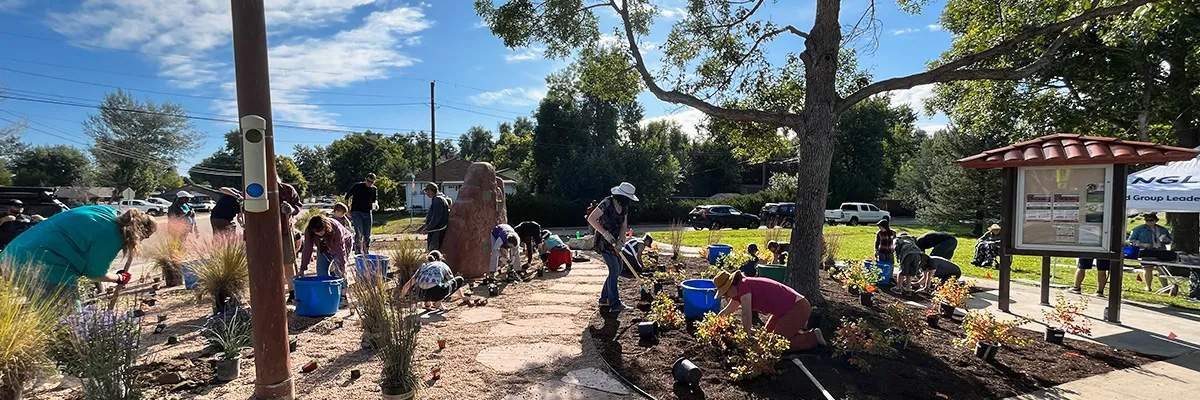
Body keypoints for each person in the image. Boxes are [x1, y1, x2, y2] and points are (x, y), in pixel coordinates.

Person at [2, 206, 156, 301]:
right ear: (138, 232)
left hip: (11, 254)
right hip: (44, 265)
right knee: (71, 322)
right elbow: (94, 273)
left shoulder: (106, 211)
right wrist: (119, 278)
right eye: (145, 237)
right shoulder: (112, 234)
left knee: (48, 315)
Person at [713, 270, 827, 351]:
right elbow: (728, 311)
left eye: (725, 293)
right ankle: (792, 334)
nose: (726, 297)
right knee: (765, 336)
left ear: (731, 286)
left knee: (775, 345)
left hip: (796, 307)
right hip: (783, 310)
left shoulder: (743, 285)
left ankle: (813, 337)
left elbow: (746, 312)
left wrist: (747, 335)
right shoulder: (738, 292)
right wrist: (713, 325)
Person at [588, 182, 636, 313]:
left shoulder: (624, 207)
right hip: (604, 241)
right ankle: (615, 304)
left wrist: (621, 241)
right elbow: (591, 219)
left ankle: (604, 299)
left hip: (615, 241)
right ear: (620, 195)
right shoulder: (607, 203)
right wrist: (605, 233)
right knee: (614, 270)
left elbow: (623, 225)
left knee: (618, 269)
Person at [399, 250, 465, 311]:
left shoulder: (423, 266)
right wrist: (462, 297)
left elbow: (406, 286)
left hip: (420, 295)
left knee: (425, 282)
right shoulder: (443, 265)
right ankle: (438, 302)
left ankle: (427, 303)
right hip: (436, 293)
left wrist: (400, 299)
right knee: (459, 279)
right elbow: (453, 282)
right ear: (440, 259)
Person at [1130, 212, 1176, 293]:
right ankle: (1148, 286)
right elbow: (1132, 241)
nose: (1149, 222)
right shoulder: (1139, 229)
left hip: (1160, 250)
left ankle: (1165, 287)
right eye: (1147, 220)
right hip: (1146, 251)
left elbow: (1170, 240)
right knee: (1148, 269)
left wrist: (1166, 240)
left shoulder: (1162, 229)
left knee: (1162, 269)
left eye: (1152, 220)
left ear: (1156, 220)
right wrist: (1143, 244)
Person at [298, 214, 353, 278]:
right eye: (316, 232)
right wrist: (303, 268)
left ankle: (343, 286)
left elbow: (340, 250)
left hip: (344, 243)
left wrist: (342, 268)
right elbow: (307, 249)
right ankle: (325, 287)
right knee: (321, 272)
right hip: (324, 246)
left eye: (321, 231)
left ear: (326, 226)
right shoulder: (309, 230)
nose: (319, 233)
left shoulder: (336, 228)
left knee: (339, 270)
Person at [279, 180, 302, 300]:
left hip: (285, 231)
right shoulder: (261, 190)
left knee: (288, 263)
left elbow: (298, 206)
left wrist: (291, 210)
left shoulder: (287, 189)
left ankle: (292, 291)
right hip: (266, 234)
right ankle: (276, 291)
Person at [345, 173, 379, 255]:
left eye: (371, 182)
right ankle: (357, 251)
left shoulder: (373, 189)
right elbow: (347, 197)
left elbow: (375, 199)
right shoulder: (357, 186)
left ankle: (366, 250)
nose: (369, 183)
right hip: (356, 212)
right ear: (365, 179)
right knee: (359, 232)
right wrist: (348, 210)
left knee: (367, 233)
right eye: (368, 181)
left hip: (367, 212)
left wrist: (376, 204)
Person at [417, 183, 452, 252]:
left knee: (434, 251)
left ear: (431, 190)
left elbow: (436, 218)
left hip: (437, 229)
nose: (426, 193)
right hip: (435, 229)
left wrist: (428, 228)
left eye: (427, 191)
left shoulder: (438, 200)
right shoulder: (437, 199)